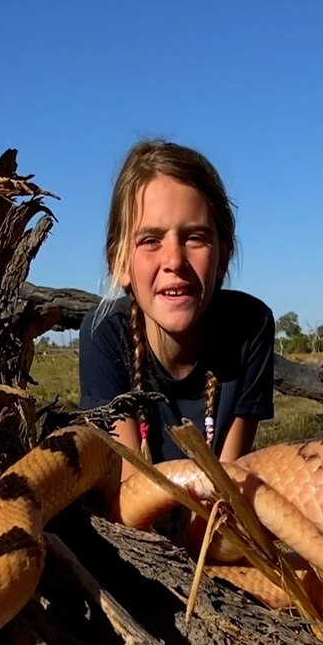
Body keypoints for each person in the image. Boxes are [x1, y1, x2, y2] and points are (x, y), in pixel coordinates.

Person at [79, 139, 275, 476]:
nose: (174, 260)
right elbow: (132, 495)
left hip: (214, 522)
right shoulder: (104, 335)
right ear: (119, 263)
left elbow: (228, 488)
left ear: (222, 257)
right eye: (150, 240)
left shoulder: (251, 326)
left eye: (195, 237)